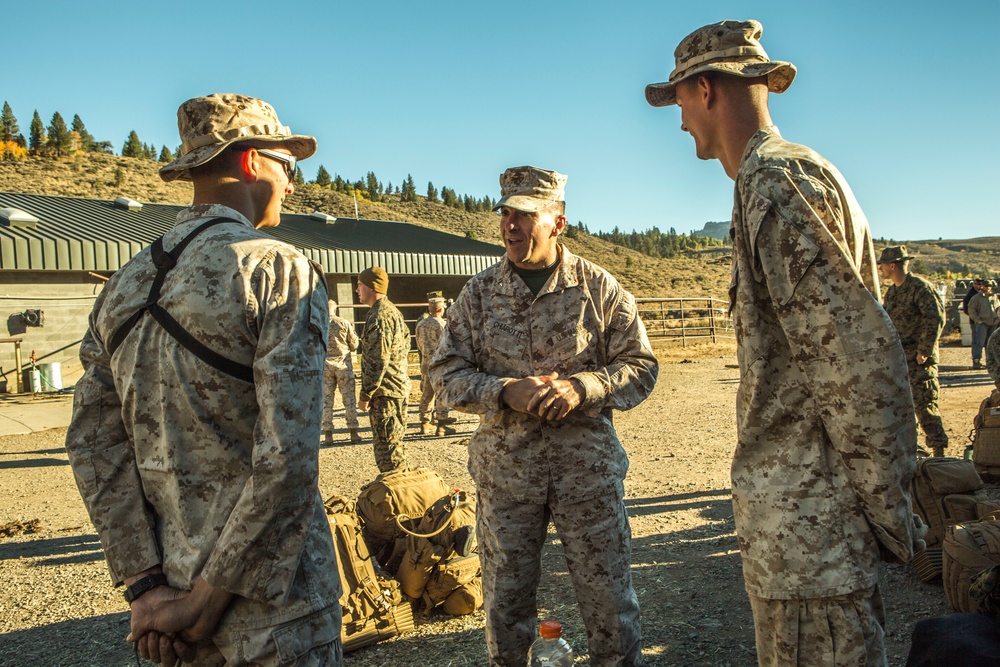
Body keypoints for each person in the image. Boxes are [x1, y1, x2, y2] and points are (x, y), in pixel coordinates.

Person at [646, 21, 922, 666]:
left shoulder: (777, 182)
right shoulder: (771, 181)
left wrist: (887, 512)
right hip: (806, 528)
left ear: (707, 89)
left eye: (681, 100)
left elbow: (853, 364)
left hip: (812, 533)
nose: (680, 119)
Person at [64, 93, 342, 666]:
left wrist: (147, 589)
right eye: (287, 166)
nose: (292, 185)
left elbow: (92, 443)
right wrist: (209, 602)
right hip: (274, 609)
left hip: (171, 604)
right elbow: (288, 453)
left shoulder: (123, 283)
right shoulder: (275, 266)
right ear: (250, 162)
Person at [431, 166, 658, 666]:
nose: (511, 226)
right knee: (506, 606)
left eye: (526, 215)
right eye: (506, 214)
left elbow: (641, 366)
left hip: (587, 475)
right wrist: (504, 391)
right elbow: (444, 375)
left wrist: (584, 387)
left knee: (610, 606)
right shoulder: (478, 294)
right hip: (508, 477)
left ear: (558, 222)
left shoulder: (599, 289)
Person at [877, 245, 948, 457]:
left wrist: (924, 350)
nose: (881, 269)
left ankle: (939, 452)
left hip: (919, 359)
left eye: (883, 265)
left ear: (893, 265)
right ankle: (913, 450)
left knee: (925, 405)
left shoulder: (920, 288)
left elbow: (935, 319)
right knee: (903, 408)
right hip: (899, 359)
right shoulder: (893, 292)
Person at [356, 266, 411, 472]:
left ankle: (398, 497)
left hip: (386, 394)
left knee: (388, 453)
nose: (357, 290)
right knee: (392, 446)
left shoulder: (380, 317)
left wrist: (365, 394)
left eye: (360, 285)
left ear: (372, 287)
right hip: (393, 390)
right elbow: (405, 346)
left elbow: (377, 360)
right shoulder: (392, 312)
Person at [415, 291, 456, 436]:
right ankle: (441, 425)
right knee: (441, 393)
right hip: (440, 364)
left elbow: (418, 345)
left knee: (427, 394)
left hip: (426, 363)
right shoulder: (442, 324)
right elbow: (448, 345)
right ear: (440, 309)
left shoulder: (420, 324)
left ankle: (425, 423)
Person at [323, 299, 362, 445]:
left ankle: (328, 434)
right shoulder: (344, 323)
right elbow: (354, 345)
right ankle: (353, 432)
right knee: (349, 399)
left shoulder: (318, 325)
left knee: (327, 401)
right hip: (343, 366)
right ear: (335, 308)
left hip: (325, 366)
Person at [969, 281, 1000, 370]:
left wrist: (998, 319)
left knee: (991, 344)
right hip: (982, 323)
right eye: (986, 286)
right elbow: (971, 310)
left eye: (990, 286)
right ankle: (976, 362)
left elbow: (997, 308)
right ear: (982, 286)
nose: (988, 287)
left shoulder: (994, 297)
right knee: (979, 342)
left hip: (993, 323)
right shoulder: (976, 298)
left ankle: (990, 362)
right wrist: (977, 320)